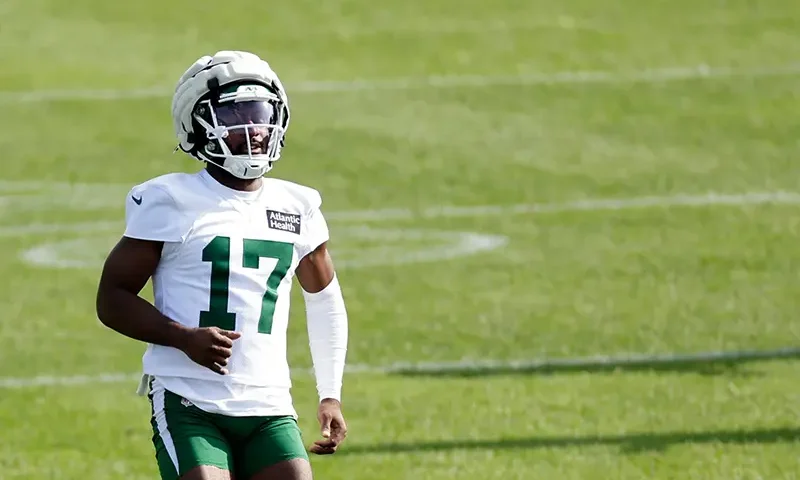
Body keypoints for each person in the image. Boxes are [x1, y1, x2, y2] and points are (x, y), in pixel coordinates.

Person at [95, 50, 349, 480]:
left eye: (261, 113)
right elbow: (112, 298)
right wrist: (182, 338)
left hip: (268, 403)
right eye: (235, 115)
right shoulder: (170, 199)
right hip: (188, 397)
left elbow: (325, 302)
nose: (254, 128)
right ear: (198, 125)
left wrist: (330, 394)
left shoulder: (298, 205)